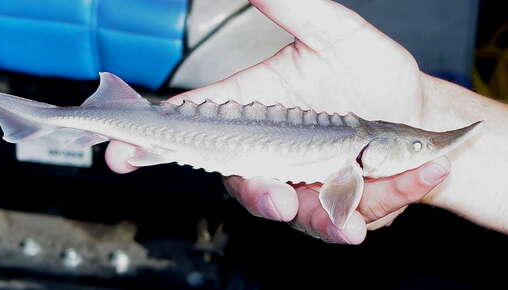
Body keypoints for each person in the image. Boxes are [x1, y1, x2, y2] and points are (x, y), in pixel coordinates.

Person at [105, 0, 508, 244]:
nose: (422, 150)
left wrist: (436, 122)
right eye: (416, 145)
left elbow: (340, 199)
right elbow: (340, 201)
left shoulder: (352, 163)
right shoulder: (350, 162)